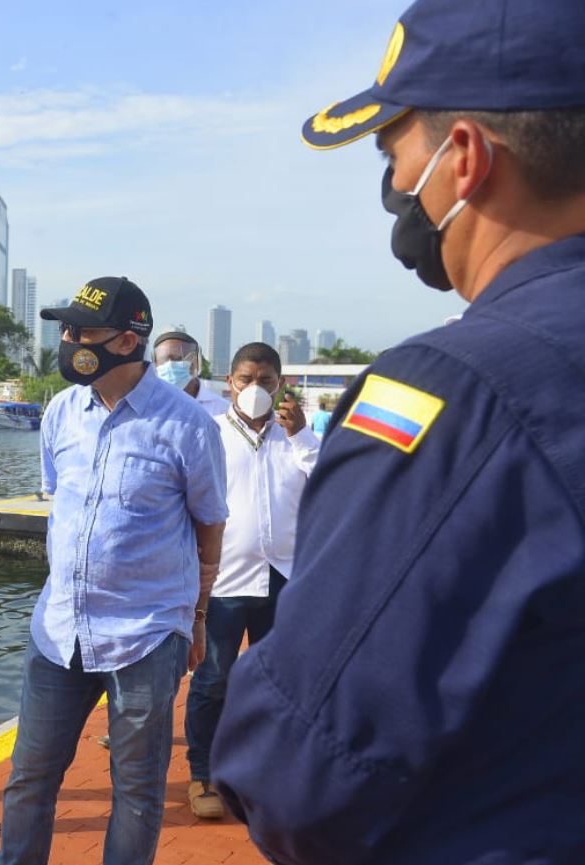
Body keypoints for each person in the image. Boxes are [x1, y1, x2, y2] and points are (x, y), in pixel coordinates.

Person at [211, 1, 585, 862]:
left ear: (466, 157)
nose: (392, 190)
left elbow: (302, 767)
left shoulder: (456, 393)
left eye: (392, 156)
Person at [0, 277, 228, 865]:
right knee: (29, 777)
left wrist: (198, 617)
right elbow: (61, 501)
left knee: (138, 791)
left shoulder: (187, 426)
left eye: (82, 331)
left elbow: (210, 526)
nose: (68, 340)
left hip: (144, 634)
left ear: (126, 341)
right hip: (59, 630)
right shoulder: (60, 412)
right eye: (67, 329)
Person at [183, 342, 318, 820]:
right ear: (229, 383)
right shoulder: (209, 433)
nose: (254, 389)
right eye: (245, 379)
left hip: (284, 577)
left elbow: (329, 483)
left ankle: (267, 772)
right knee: (213, 678)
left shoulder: (297, 438)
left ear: (281, 385)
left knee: (277, 681)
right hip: (223, 580)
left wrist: (302, 435)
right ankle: (202, 772)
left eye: (265, 381)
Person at [153, 330, 230, 416]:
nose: (169, 365)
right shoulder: (149, 406)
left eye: (177, 359)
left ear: (195, 363)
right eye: (163, 360)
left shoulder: (222, 409)